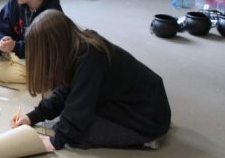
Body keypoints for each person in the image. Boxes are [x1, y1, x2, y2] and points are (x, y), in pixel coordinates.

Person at [11, 10, 171, 151]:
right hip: (133, 102)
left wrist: (55, 141)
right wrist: (32, 117)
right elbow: (65, 90)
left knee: (75, 133)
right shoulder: (75, 46)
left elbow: (78, 108)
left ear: (53, 48)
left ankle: (145, 139)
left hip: (148, 118)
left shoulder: (90, 57)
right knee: (69, 120)